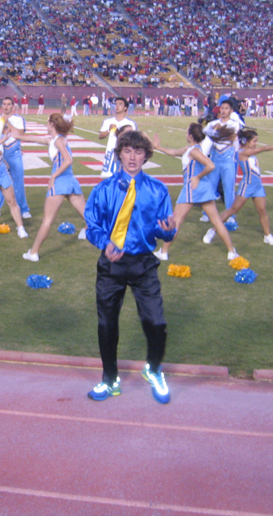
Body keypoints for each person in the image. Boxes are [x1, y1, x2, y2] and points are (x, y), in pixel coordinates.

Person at [84, 131, 176, 404]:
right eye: (127, 151)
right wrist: (105, 242)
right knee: (107, 324)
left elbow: (166, 232)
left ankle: (154, 368)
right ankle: (110, 380)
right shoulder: (103, 190)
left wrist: (170, 233)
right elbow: (93, 226)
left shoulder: (158, 190)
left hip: (144, 264)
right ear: (119, 154)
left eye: (138, 152)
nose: (132, 157)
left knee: (156, 322)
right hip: (111, 265)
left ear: (146, 155)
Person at [6, 113, 88, 261]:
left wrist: (53, 176)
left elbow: (68, 160)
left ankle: (33, 253)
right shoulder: (53, 140)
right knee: (89, 217)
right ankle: (93, 234)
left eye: (47, 122)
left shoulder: (59, 142)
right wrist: (13, 133)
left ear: (52, 124)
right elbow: (30, 138)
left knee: (47, 221)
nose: (46, 124)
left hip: (60, 182)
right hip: (71, 181)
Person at [151, 124, 238, 262]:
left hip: (192, 188)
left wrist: (197, 177)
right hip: (202, 189)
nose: (185, 134)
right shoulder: (189, 149)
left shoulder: (195, 151)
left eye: (187, 132)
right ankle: (231, 251)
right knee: (216, 221)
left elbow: (211, 165)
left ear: (191, 136)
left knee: (176, 220)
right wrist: (158, 147)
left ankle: (164, 252)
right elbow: (174, 152)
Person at [203, 129, 273, 247]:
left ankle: (267, 236)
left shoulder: (249, 151)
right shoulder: (242, 152)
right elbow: (263, 149)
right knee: (232, 210)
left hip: (257, 186)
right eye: (254, 141)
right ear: (246, 141)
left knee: (262, 211)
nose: (256, 144)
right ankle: (212, 231)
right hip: (247, 186)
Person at [0, 97, 31, 219]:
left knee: (18, 183)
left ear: (13, 106)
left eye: (9, 104)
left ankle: (23, 209)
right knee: (0, 183)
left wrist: (7, 122)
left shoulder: (19, 119)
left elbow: (20, 134)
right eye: (4, 104)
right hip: (1, 155)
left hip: (15, 155)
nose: (6, 106)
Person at [200, 98, 244, 224]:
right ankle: (206, 213)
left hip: (228, 159)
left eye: (226, 108)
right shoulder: (212, 124)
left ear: (231, 111)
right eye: (222, 108)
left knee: (229, 188)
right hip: (214, 159)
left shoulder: (234, 124)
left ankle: (230, 215)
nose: (223, 111)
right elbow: (205, 134)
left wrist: (216, 133)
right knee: (210, 187)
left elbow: (232, 136)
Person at [98, 97, 138, 178]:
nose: (117, 106)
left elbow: (135, 140)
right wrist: (109, 130)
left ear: (125, 108)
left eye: (120, 104)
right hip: (111, 153)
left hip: (126, 154)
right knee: (109, 177)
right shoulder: (108, 121)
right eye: (116, 104)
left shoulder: (131, 123)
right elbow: (100, 136)